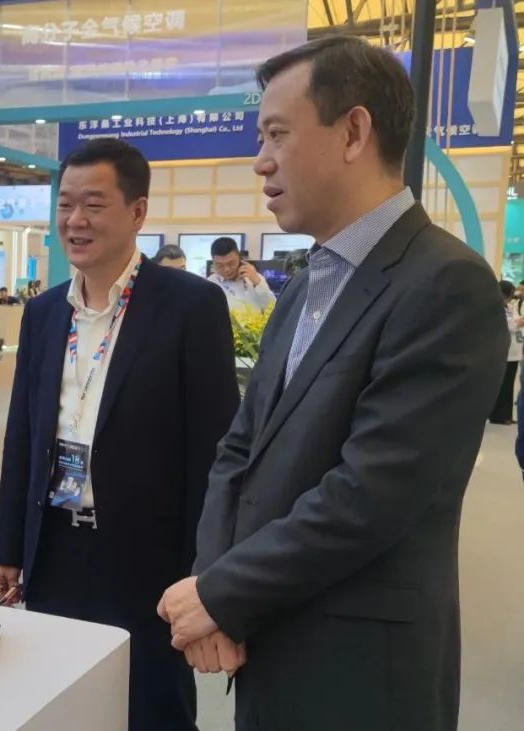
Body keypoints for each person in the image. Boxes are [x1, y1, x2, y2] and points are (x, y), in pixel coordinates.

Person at [158, 36, 507, 731]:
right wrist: (213, 584)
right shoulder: (302, 288)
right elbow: (240, 448)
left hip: (359, 670)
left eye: (277, 134)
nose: (260, 161)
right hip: (265, 637)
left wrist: (223, 592)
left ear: (353, 132)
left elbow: (372, 492)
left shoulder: (445, 284)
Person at [0, 138, 239, 731]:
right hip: (54, 545)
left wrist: (206, 572)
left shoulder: (191, 306)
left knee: (151, 706)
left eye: (94, 205)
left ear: (137, 212)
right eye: (65, 205)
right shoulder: (44, 313)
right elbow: (23, 436)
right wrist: (8, 546)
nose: (75, 220)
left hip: (149, 560)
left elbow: (216, 452)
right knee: (58, 700)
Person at [208, 237, 276, 312]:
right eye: (220, 265)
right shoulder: (210, 284)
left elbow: (274, 308)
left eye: (231, 263)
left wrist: (258, 283)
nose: (226, 269)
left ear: (239, 258)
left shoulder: (254, 277)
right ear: (213, 262)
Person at [490, 280, 524, 425]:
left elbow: (514, 320)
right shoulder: (497, 308)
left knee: (509, 385)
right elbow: (510, 325)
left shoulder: (508, 307)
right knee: (503, 385)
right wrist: (520, 322)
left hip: (514, 352)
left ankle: (507, 415)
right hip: (505, 352)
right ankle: (498, 415)